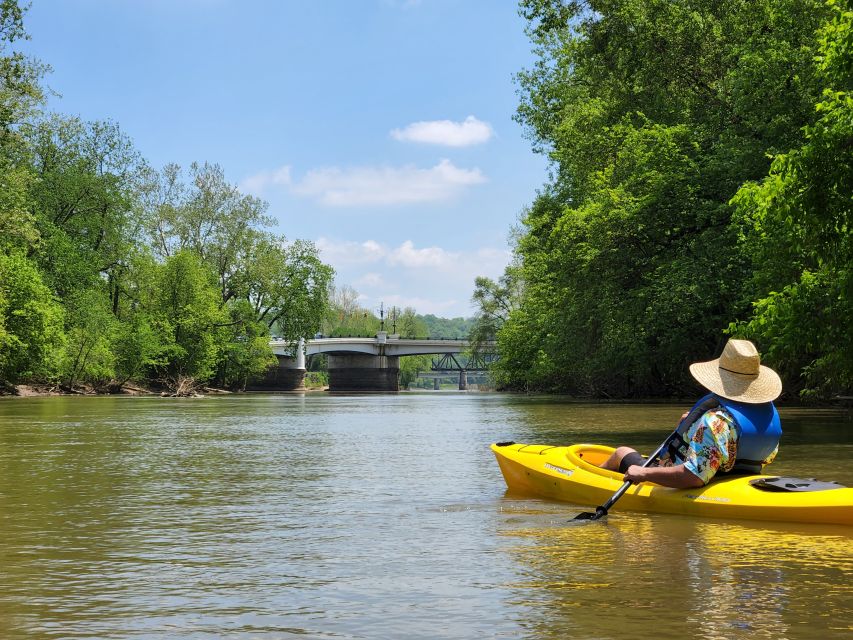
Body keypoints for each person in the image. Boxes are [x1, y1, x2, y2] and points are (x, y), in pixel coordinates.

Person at [600, 338, 783, 489]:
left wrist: (643, 473)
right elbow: (760, 454)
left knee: (621, 452)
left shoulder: (714, 421)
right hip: (737, 478)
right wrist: (694, 429)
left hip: (692, 480)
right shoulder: (770, 414)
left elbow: (693, 477)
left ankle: (593, 483)